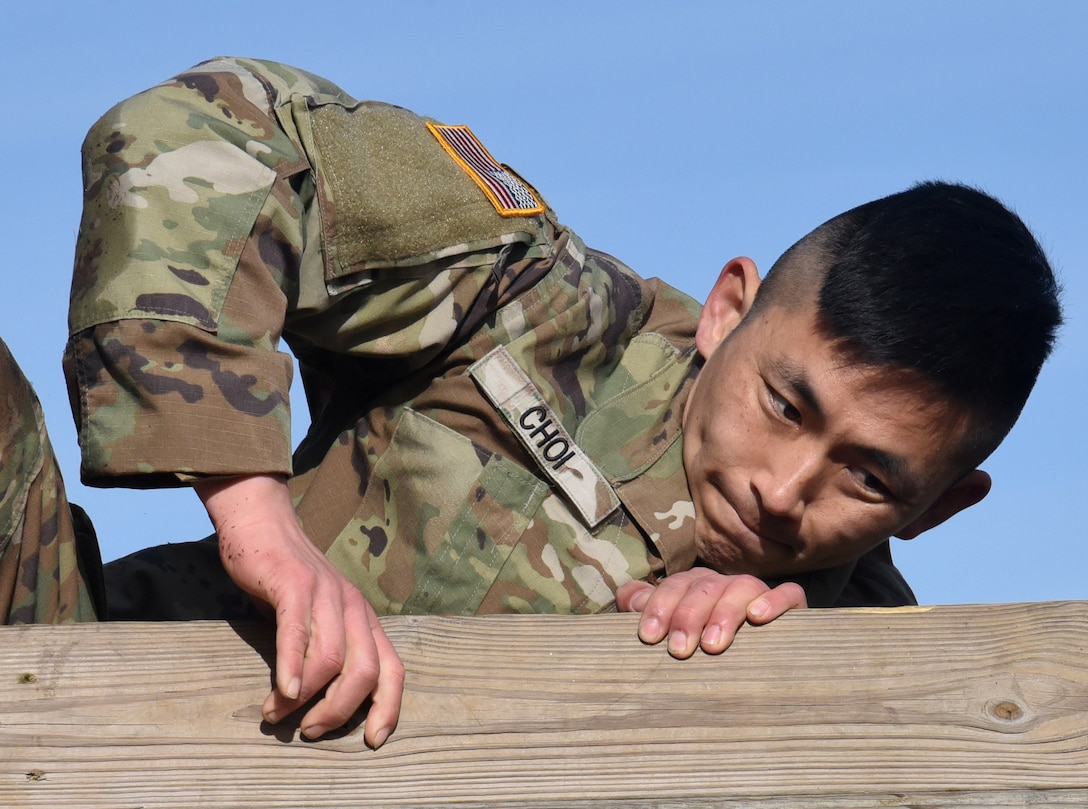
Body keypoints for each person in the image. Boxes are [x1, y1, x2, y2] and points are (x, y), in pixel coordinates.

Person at [20, 56, 1057, 746]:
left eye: (867, 476)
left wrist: (739, 691)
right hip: (90, 685)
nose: (783, 491)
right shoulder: (541, 303)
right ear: (727, 311)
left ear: (936, 508)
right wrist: (261, 526)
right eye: (784, 405)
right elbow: (204, 130)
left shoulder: (888, 683)